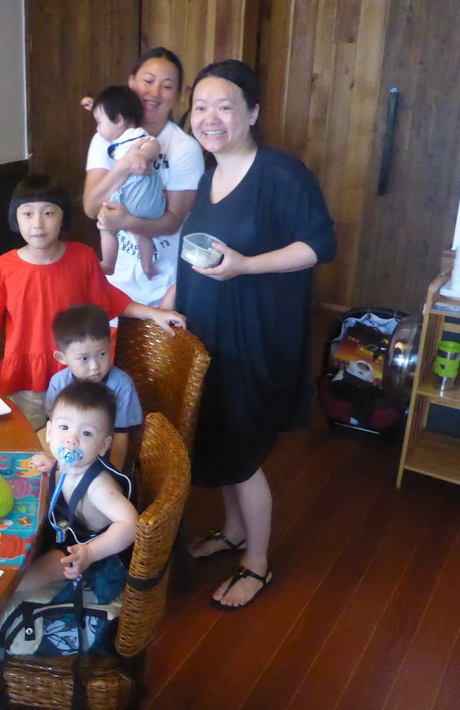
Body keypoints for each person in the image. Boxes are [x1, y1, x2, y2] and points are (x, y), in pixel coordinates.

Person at [162, 59, 336, 610]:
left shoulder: (281, 174)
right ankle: (234, 531)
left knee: (241, 451)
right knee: (218, 432)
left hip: (258, 334)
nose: (211, 117)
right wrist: (167, 303)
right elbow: (195, 255)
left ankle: (257, 562)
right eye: (203, 106)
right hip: (208, 331)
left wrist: (246, 266)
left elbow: (319, 245)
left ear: (252, 113)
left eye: (226, 105)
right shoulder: (211, 175)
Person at [0, 174, 185, 429]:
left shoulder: (84, 257)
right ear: (16, 219)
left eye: (48, 213)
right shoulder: (4, 266)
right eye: (28, 214)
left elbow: (109, 298)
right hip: (26, 377)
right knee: (30, 439)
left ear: (63, 217)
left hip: (76, 372)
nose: (38, 223)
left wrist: (153, 313)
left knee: (74, 438)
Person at [83, 47, 205, 307]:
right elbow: (91, 207)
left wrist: (127, 222)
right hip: (114, 281)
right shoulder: (105, 137)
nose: (154, 93)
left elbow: (173, 222)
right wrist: (125, 165)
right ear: (131, 82)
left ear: (179, 95)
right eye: (148, 81)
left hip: (162, 285)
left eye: (167, 86)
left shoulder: (184, 148)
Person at [21, 381, 138, 594]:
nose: (72, 440)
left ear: (103, 446)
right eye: (64, 428)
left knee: (48, 566)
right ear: (49, 432)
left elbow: (131, 525)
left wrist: (90, 553)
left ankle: (10, 594)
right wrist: (54, 465)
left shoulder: (99, 487)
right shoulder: (67, 464)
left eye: (86, 434)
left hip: (91, 551)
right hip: (65, 529)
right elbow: (64, 475)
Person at [44, 304, 142, 469]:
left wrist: (113, 473)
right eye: (84, 358)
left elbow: (120, 436)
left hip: (103, 459)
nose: (94, 366)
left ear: (110, 344)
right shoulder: (58, 383)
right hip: (67, 453)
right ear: (62, 357)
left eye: (101, 354)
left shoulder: (122, 385)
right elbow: (53, 427)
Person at [90, 86, 165, 278]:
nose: (97, 128)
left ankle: (108, 263)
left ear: (119, 120)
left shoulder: (135, 136)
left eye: (99, 122)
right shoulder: (120, 140)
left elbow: (153, 144)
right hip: (147, 204)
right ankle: (147, 266)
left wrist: (142, 154)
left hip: (136, 198)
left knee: (106, 226)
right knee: (142, 233)